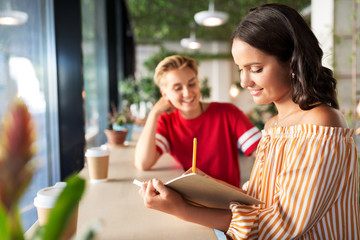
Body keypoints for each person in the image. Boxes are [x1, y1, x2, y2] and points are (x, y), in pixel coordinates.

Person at [138, 3, 360, 239]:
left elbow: (280, 226)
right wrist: (208, 185)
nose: (244, 81)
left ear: (291, 61)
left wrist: (183, 210)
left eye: (255, 68)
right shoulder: (273, 125)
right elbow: (261, 202)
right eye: (240, 69)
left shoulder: (321, 122)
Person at [134, 55, 261, 187]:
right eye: (178, 88)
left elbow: (264, 153)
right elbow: (143, 163)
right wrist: (154, 113)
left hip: (226, 202)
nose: (188, 93)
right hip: (188, 203)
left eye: (192, 84)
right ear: (165, 94)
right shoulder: (167, 122)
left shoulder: (228, 113)